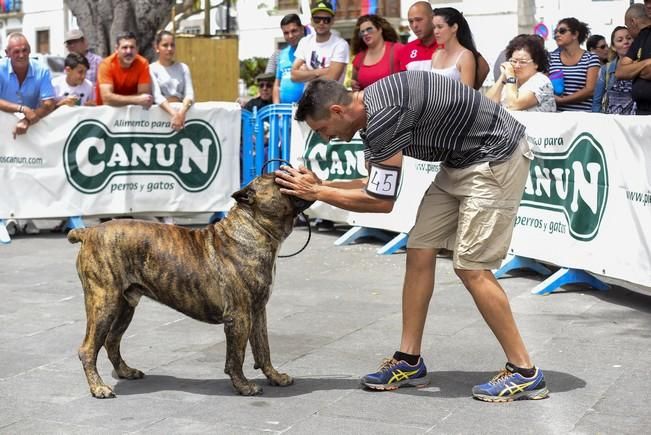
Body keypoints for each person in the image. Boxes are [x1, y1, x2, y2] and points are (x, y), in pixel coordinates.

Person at [274, 72, 548, 402]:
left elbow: (381, 202)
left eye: (323, 131)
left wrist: (317, 191)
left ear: (336, 110)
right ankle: (409, 360)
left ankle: (524, 372)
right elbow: (374, 185)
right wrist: (322, 186)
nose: (328, 139)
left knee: (471, 267)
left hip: (497, 156)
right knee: (420, 248)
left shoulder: (384, 115)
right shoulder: (371, 112)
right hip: (461, 162)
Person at [0, 32, 56, 236]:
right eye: (16, 51)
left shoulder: (41, 70)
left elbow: (49, 103)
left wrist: (29, 120)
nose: (21, 54)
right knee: (5, 171)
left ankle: (27, 216)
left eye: (25, 50)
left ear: (30, 50)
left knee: (28, 171)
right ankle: (6, 217)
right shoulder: (0, 69)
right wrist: (23, 109)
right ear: (7, 53)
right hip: (2, 128)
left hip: (30, 128)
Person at [399, 2, 489, 90]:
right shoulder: (411, 50)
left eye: (419, 20)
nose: (414, 25)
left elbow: (482, 68)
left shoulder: (462, 53)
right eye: (410, 21)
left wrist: (473, 91)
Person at [486, 34, 556, 112]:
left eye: (522, 62)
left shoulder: (542, 81)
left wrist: (510, 77)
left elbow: (514, 105)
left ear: (536, 63)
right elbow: (487, 104)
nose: (517, 65)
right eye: (513, 61)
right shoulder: (511, 81)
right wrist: (503, 76)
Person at [548, 18, 601, 112]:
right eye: (555, 32)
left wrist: (562, 101)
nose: (557, 35)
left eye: (562, 31)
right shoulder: (551, 58)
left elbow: (590, 90)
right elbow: (544, 86)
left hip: (582, 117)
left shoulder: (591, 58)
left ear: (575, 34)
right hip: (556, 116)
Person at [291, 1, 350, 85]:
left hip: (331, 97)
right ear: (311, 21)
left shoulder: (341, 45)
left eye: (326, 20)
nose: (321, 23)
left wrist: (306, 73)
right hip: (308, 97)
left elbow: (332, 79)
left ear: (332, 21)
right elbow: (293, 76)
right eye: (317, 19)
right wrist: (319, 72)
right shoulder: (305, 42)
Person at [150, 30, 194, 131]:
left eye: (172, 45)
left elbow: (189, 94)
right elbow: (157, 96)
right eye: (165, 45)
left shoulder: (183, 68)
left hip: (183, 116)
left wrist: (181, 113)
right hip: (160, 118)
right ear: (157, 48)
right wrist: (174, 114)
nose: (169, 49)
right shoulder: (151, 69)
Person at [96, 31, 153, 108]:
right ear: (116, 49)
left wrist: (117, 99)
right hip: (107, 113)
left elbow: (144, 96)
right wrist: (136, 100)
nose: (129, 51)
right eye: (124, 47)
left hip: (132, 112)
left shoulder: (143, 63)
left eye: (132, 47)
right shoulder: (106, 64)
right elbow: (107, 99)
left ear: (137, 49)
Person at [350, 14, 403, 90]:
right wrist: (353, 84)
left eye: (369, 29)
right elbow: (354, 80)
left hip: (393, 100)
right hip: (366, 101)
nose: (365, 33)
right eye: (362, 32)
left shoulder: (397, 49)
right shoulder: (359, 57)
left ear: (380, 29)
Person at [615, 4, 651, 115]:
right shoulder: (643, 35)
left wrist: (633, 69)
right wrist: (645, 62)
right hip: (642, 112)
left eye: (627, 27)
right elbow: (620, 72)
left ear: (632, 22)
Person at [430, 7, 478, 88]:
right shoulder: (436, 55)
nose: (436, 31)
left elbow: (467, 95)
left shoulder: (465, 56)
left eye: (440, 27)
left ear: (454, 27)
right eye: (434, 27)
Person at [592, 26, 635, 114]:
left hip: (637, 123)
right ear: (614, 47)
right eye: (620, 40)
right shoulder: (606, 70)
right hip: (613, 122)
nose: (626, 42)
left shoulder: (643, 65)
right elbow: (597, 102)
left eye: (629, 38)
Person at [273, 13, 305, 104]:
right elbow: (277, 84)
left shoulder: (311, 51)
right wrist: (277, 107)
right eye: (286, 33)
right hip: (284, 112)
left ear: (302, 29)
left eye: (294, 31)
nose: (290, 36)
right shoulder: (282, 54)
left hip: (305, 111)